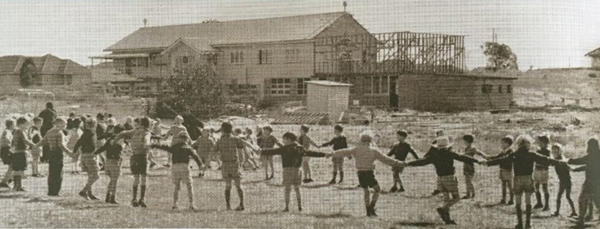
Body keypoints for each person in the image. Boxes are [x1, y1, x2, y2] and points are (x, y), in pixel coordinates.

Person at [483, 134, 565, 229]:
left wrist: (487, 163)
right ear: (527, 144)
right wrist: (560, 161)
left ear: (518, 144)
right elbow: (546, 159)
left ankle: (520, 224)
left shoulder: (514, 154)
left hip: (517, 179)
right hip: (528, 179)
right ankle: (528, 223)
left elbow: (502, 160)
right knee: (528, 201)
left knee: (518, 202)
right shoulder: (532, 154)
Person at [406, 136, 480, 225]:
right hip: (449, 178)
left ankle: (447, 219)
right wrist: (477, 160)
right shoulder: (449, 153)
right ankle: (443, 209)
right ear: (447, 145)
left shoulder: (434, 155)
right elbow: (463, 157)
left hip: (440, 179)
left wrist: (408, 163)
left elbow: (422, 161)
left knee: (446, 199)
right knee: (456, 198)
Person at [331, 133, 405, 217]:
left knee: (366, 191)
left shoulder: (356, 149)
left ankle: (367, 210)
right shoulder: (373, 150)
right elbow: (385, 159)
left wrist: (331, 154)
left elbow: (343, 151)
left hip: (360, 173)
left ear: (361, 140)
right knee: (377, 190)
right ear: (370, 141)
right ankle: (371, 207)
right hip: (369, 173)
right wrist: (398, 163)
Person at [260, 132, 329, 212]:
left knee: (287, 189)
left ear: (288, 139)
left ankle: (286, 207)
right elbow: (312, 153)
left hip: (287, 171)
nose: (283, 141)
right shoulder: (300, 148)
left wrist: (261, 151)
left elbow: (272, 151)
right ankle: (300, 206)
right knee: (297, 189)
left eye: (284, 139)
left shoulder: (284, 148)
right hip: (297, 170)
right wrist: (324, 154)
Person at [152, 132, 203, 211]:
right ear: (187, 139)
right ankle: (191, 204)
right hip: (184, 167)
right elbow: (196, 157)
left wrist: (154, 145)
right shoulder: (188, 148)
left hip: (175, 167)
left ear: (178, 138)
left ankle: (175, 204)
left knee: (177, 186)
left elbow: (165, 147)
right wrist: (200, 165)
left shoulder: (174, 147)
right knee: (189, 185)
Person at [114, 117, 153, 207]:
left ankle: (134, 199)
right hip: (143, 156)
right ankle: (142, 199)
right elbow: (147, 140)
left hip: (134, 157)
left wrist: (114, 140)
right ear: (148, 124)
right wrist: (147, 145)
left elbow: (122, 133)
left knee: (136, 179)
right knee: (143, 179)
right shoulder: (147, 132)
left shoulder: (134, 131)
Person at [34, 118, 73, 196]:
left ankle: (50, 191)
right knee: (58, 173)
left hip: (51, 152)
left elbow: (43, 141)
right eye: (64, 124)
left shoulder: (49, 132)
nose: (65, 126)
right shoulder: (59, 133)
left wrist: (35, 146)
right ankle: (56, 191)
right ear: (59, 124)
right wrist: (69, 152)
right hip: (58, 153)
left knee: (52, 172)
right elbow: (61, 145)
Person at [566, 138, 600, 228]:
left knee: (582, 200)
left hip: (589, 183)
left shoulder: (590, 156)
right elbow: (587, 166)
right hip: (598, 183)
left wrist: (569, 160)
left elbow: (579, 161)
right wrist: (575, 169)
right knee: (597, 202)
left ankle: (581, 220)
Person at [214, 122, 245, 211]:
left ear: (222, 130)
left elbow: (213, 152)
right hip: (235, 164)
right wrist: (242, 161)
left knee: (228, 186)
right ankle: (242, 203)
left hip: (225, 164)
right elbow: (241, 149)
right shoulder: (236, 139)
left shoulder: (219, 141)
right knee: (239, 185)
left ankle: (228, 206)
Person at [94, 124, 125, 204]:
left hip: (108, 161)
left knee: (112, 180)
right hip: (115, 160)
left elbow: (103, 148)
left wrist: (95, 153)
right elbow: (119, 148)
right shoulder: (120, 140)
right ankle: (112, 197)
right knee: (114, 180)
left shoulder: (110, 139)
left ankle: (108, 196)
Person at [74, 118, 99, 200]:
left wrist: (74, 151)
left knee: (90, 175)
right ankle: (84, 191)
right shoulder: (91, 133)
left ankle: (90, 194)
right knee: (96, 175)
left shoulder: (86, 133)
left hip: (85, 155)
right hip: (90, 155)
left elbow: (79, 142)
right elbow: (79, 142)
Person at [549, 143, 577, 217]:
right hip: (562, 181)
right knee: (561, 197)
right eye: (553, 152)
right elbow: (551, 163)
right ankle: (558, 212)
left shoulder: (561, 160)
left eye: (556, 152)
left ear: (560, 151)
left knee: (566, 196)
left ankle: (573, 211)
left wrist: (570, 168)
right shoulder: (556, 160)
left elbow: (567, 166)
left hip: (566, 181)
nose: (554, 153)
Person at [485, 136, 515, 205]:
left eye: (502, 143)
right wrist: (490, 158)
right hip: (502, 169)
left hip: (508, 170)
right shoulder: (503, 152)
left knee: (510, 185)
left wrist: (489, 160)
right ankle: (503, 199)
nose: (501, 145)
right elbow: (497, 157)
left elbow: (500, 159)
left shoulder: (510, 152)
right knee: (503, 184)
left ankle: (511, 199)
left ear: (507, 144)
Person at [11, 117, 35, 191]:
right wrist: (34, 145)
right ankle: (19, 186)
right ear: (21, 124)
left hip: (16, 152)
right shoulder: (20, 131)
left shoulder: (15, 131)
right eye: (26, 124)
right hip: (21, 152)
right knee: (20, 169)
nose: (27, 126)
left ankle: (16, 186)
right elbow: (25, 140)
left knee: (16, 169)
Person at [461, 134, 488, 199]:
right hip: (466, 165)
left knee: (469, 181)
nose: (464, 142)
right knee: (467, 181)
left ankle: (472, 194)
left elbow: (479, 152)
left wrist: (485, 156)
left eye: (464, 141)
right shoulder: (466, 148)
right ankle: (468, 194)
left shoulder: (472, 148)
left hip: (470, 166)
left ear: (467, 141)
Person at [0, 119, 15, 188]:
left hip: (6, 149)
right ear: (11, 125)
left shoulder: (8, 131)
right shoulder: (7, 131)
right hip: (6, 150)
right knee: (12, 165)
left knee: (13, 165)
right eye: (14, 124)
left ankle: (9, 179)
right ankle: (5, 181)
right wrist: (11, 144)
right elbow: (6, 138)